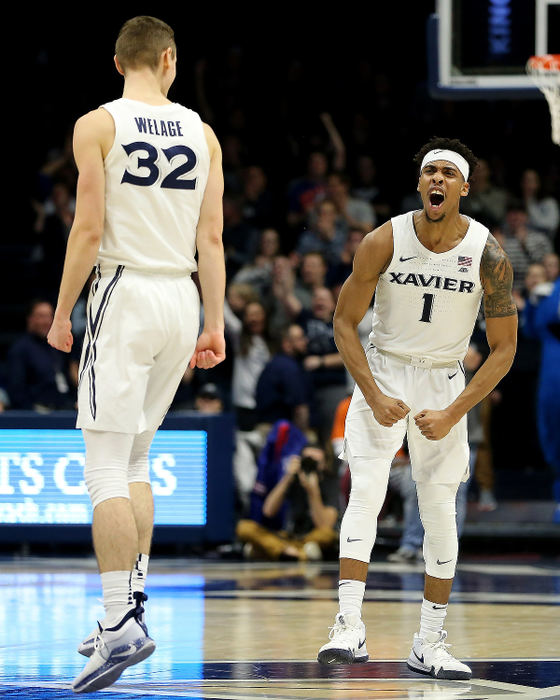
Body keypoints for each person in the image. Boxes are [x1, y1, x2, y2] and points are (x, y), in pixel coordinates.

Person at [46, 16, 225, 693]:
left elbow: (88, 227)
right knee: (138, 460)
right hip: (181, 297)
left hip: (124, 293)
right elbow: (212, 238)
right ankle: (128, 611)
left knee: (103, 472)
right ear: (170, 59)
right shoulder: (203, 134)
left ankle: (120, 620)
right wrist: (215, 323)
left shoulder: (98, 124)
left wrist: (64, 313)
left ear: (119, 61)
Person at [317, 137, 517, 681]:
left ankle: (429, 640)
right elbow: (342, 322)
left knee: (439, 509)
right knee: (366, 493)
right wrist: (375, 394)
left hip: (445, 381)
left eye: (448, 174)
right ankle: (348, 625)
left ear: (464, 188)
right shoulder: (384, 240)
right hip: (385, 367)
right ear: (420, 183)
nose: (437, 180)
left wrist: (455, 411)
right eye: (430, 172)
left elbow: (504, 350)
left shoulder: (488, 253)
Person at [236, 424, 339, 561]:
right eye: (307, 460)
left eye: (316, 462)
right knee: (244, 527)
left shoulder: (329, 483)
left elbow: (325, 525)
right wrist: (287, 478)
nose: (311, 464)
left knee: (328, 535)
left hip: (313, 537)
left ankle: (273, 551)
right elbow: (268, 511)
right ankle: (295, 553)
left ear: (324, 464)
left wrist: (312, 491)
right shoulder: (293, 479)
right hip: (287, 537)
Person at [7, 300, 74, 410]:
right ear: (30, 319)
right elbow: (16, 390)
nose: (46, 321)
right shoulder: (20, 349)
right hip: (37, 414)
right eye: (41, 316)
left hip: (64, 409)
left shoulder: (58, 346)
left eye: (49, 316)